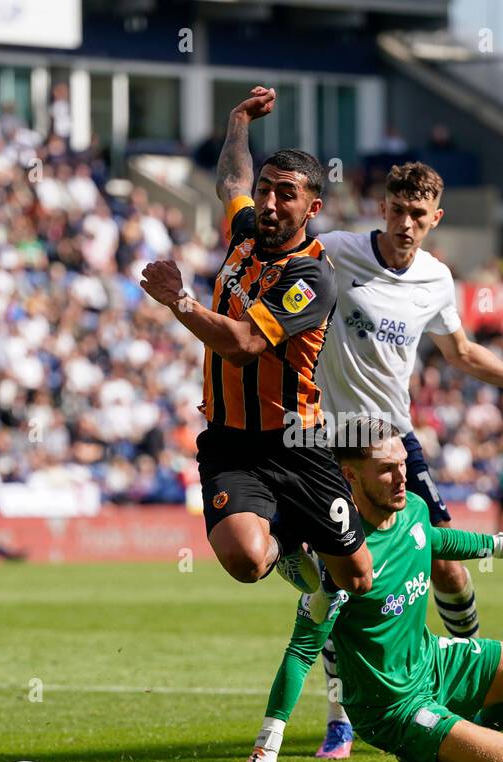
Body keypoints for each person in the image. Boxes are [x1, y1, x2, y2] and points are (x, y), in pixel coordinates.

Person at [240, 154, 503, 760]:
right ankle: (341, 714)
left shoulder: (437, 279)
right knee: (337, 574)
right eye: (396, 210)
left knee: (447, 565)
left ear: (434, 219)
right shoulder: (337, 251)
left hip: (392, 437)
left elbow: (464, 354)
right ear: (382, 209)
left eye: (417, 214)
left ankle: (463, 687)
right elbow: (279, 251)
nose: (404, 223)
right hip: (318, 434)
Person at [223, 417, 503, 762]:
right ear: (351, 477)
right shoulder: (341, 559)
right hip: (391, 709)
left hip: (435, 661)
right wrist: (268, 745)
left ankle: (455, 732)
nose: (401, 477)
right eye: (387, 470)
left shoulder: (413, 507)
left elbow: (437, 541)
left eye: (403, 464)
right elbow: (300, 652)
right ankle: (422, 755)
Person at [139, 86, 374, 613]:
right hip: (231, 441)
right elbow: (231, 180)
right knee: (246, 562)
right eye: (266, 190)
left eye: (284, 195)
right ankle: (286, 547)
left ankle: (296, 539)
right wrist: (238, 121)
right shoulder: (245, 233)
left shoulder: (312, 277)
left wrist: (179, 300)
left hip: (298, 441)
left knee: (357, 580)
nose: (268, 203)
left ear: (312, 207)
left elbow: (245, 345)